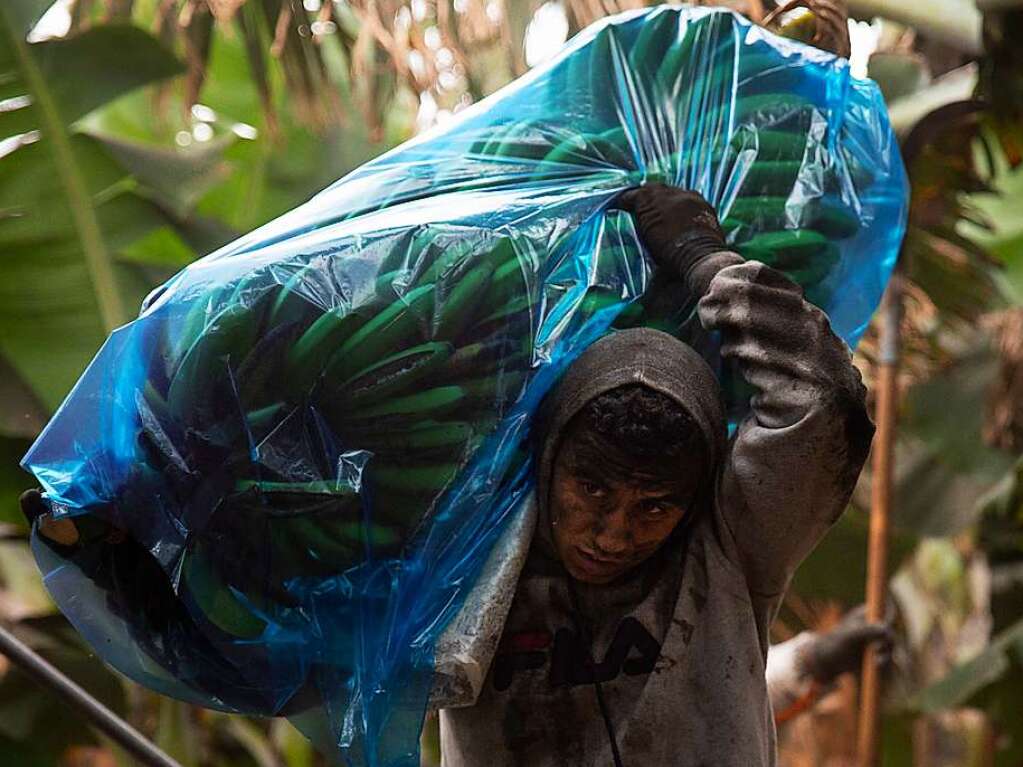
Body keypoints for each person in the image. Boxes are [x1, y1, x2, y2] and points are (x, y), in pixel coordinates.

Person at [434, 184, 880, 767]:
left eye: (652, 508)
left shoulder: (731, 548)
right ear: (548, 461)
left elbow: (825, 398)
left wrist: (705, 260)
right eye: (592, 490)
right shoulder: (467, 553)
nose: (612, 537)